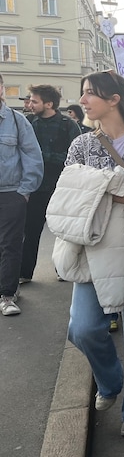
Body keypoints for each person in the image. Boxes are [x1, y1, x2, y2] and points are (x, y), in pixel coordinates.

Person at [53, 70, 124, 437]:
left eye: (89, 94)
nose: (82, 100)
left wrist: (104, 189)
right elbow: (70, 192)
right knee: (82, 328)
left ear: (114, 99)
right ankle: (110, 380)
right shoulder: (81, 144)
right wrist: (120, 189)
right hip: (94, 242)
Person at [20, 85, 82, 284]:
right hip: (35, 186)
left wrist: (42, 156)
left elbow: (76, 157)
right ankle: (24, 273)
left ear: (49, 104)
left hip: (61, 187)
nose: (30, 104)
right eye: (30, 100)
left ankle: (63, 269)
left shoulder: (68, 125)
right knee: (30, 231)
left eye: (34, 101)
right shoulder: (29, 122)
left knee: (63, 231)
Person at [0, 74, 43, 316]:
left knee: (10, 244)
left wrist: (24, 191)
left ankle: (7, 294)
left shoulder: (16, 121)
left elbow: (32, 156)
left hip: (11, 193)